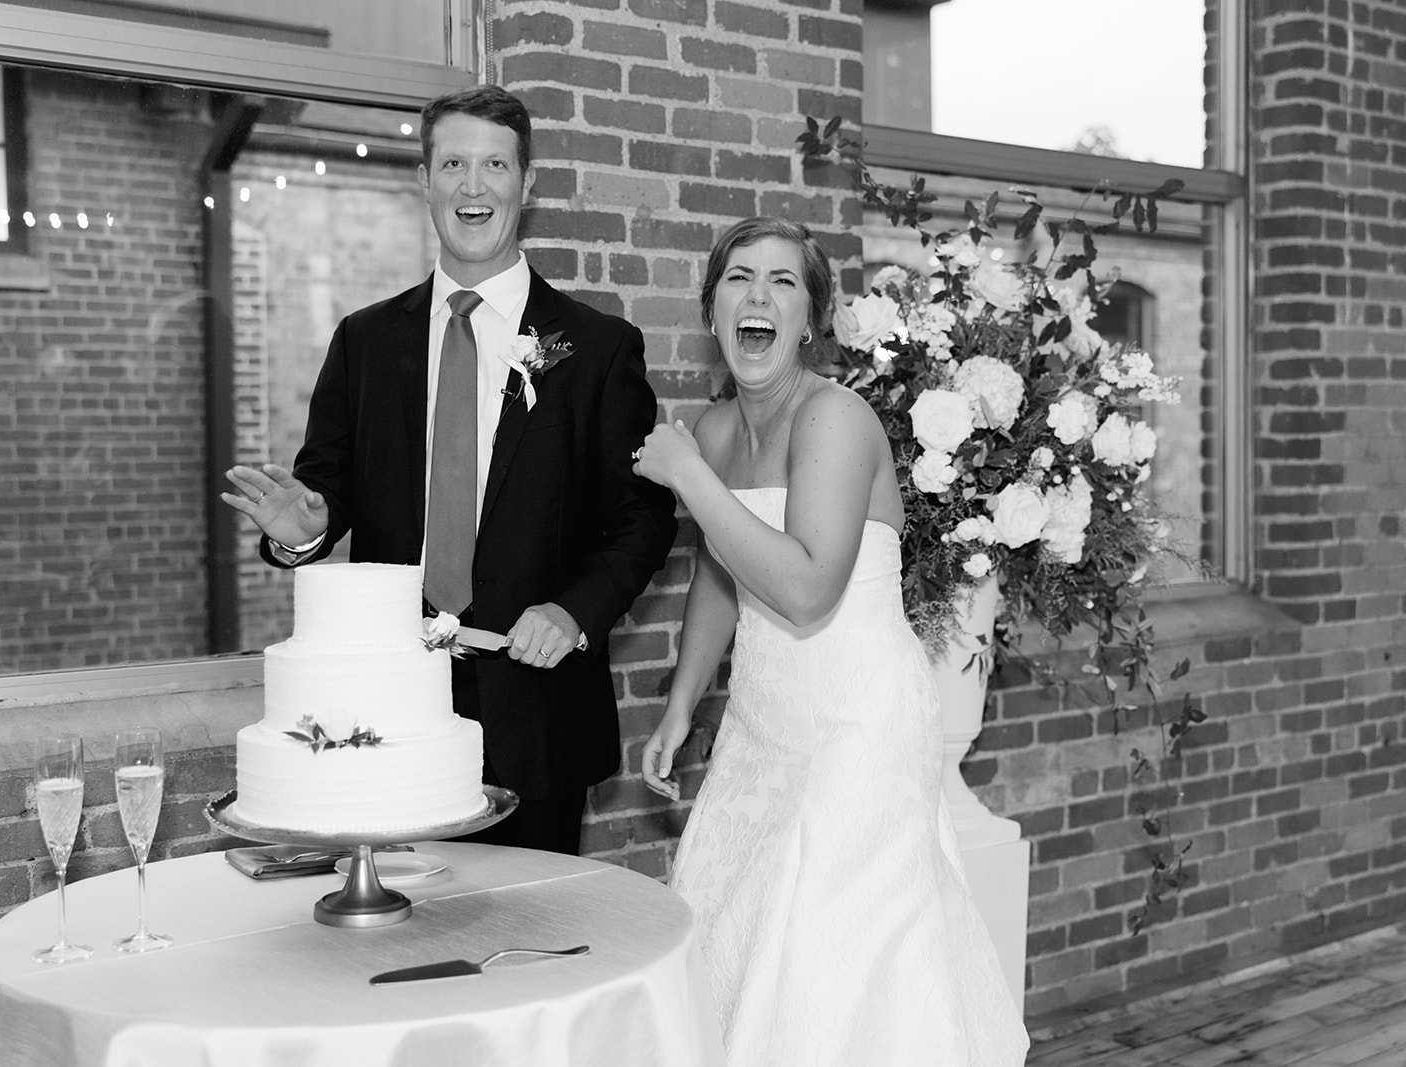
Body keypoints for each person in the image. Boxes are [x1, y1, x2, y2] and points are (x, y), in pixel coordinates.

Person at [223, 85, 677, 855]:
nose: (474, 185)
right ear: (425, 179)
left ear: (526, 185)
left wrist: (572, 613)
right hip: (390, 715)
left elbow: (644, 517)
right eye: (455, 163)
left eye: (495, 164)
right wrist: (305, 531)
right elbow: (318, 499)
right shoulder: (364, 342)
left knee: (527, 953)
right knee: (395, 949)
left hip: (536, 713)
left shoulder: (596, 348)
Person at [633, 216, 1030, 1065]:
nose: (759, 296)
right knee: (732, 933)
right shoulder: (710, 432)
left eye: (783, 281)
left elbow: (808, 588)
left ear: (810, 318)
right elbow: (720, 572)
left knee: (829, 959)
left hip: (858, 723)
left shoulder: (836, 418)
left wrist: (691, 480)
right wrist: (679, 707)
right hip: (763, 721)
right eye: (739, 277)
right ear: (711, 311)